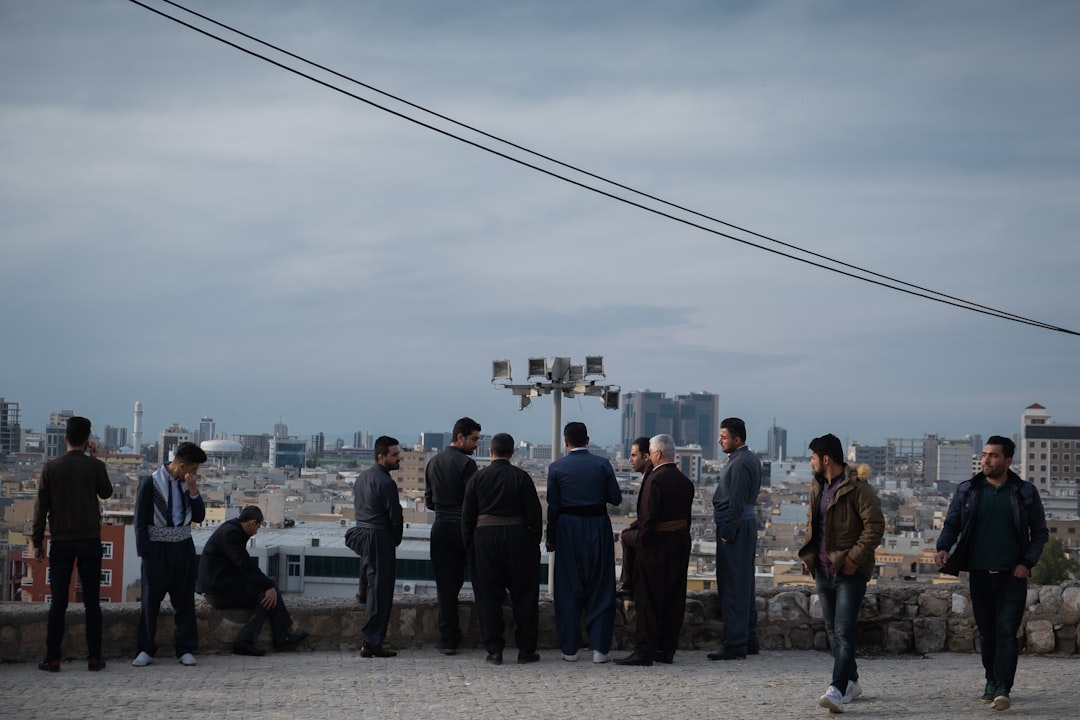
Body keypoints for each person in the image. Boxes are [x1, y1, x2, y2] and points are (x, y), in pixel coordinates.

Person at [935, 436, 1048, 712]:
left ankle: (1003, 687)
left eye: (993, 456)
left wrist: (1026, 563)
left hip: (1013, 575)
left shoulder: (1024, 493)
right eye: (984, 455)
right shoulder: (968, 491)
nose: (986, 460)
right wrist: (942, 548)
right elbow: (952, 524)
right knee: (987, 633)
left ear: (1008, 461)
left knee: (1007, 632)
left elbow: (1040, 533)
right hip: (979, 573)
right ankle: (990, 679)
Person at [798, 433, 884, 713]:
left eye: (812, 458)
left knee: (844, 631)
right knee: (833, 632)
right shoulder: (817, 487)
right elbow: (814, 526)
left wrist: (855, 558)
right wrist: (808, 555)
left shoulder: (858, 488)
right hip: (823, 570)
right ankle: (852, 681)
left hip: (848, 571)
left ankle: (836, 689)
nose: (810, 463)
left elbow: (875, 526)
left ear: (826, 459)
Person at [31, 416, 113, 672]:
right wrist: (97, 459)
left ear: (65, 437)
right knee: (92, 603)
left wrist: (36, 542)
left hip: (61, 541)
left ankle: (53, 658)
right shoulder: (94, 467)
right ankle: (94, 658)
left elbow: (40, 509)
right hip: (89, 540)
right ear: (87, 441)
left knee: (58, 602)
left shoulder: (51, 468)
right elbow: (106, 493)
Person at [461, 432, 543, 665]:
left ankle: (494, 650)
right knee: (525, 597)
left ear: (490, 452)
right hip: (518, 539)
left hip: (484, 540)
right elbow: (534, 515)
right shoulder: (522, 477)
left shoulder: (477, 479)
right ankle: (526, 650)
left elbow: (467, 518)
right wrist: (532, 543)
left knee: (487, 597)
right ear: (512, 452)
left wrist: (470, 547)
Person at [546, 421, 622, 664]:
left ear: (566, 442)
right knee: (601, 585)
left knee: (568, 588)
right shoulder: (602, 464)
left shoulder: (556, 468)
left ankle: (570, 650)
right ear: (587, 440)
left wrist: (551, 538)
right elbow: (617, 498)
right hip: (598, 524)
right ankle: (600, 649)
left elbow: (553, 507)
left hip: (568, 528)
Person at [615, 434, 694, 666]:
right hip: (679, 543)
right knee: (673, 598)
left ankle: (645, 650)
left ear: (657, 454)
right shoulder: (685, 481)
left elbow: (648, 518)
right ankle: (666, 649)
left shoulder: (655, 480)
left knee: (647, 598)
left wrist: (641, 548)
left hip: (656, 545)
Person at [133, 441, 207, 667]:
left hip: (182, 547)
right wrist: (146, 554)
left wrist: (194, 493)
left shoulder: (188, 485)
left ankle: (185, 648)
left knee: (184, 601)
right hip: (157, 551)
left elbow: (199, 517)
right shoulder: (150, 483)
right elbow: (140, 521)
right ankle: (145, 649)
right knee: (150, 601)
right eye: (193, 469)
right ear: (182, 464)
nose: (194, 474)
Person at [196, 506, 308, 656]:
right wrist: (267, 585)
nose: (258, 530)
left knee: (269, 589)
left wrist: (267, 585)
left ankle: (281, 634)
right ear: (252, 522)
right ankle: (246, 641)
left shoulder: (232, 529)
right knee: (265, 596)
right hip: (217, 592)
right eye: (258, 526)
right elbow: (244, 564)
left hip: (223, 586)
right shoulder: (231, 534)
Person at [424, 416, 481, 654]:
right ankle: (489, 637)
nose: (477, 444)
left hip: (440, 528)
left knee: (446, 588)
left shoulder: (433, 462)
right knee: (480, 580)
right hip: (463, 528)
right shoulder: (467, 465)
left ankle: (449, 640)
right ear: (460, 437)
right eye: (474, 439)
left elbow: (429, 501)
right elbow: (473, 501)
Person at [709, 417, 763, 661]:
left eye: (724, 437)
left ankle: (736, 643)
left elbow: (737, 501)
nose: (720, 441)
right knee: (744, 583)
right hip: (743, 524)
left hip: (735, 526)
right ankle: (748, 639)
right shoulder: (748, 459)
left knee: (733, 585)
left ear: (737, 439)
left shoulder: (740, 463)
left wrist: (728, 533)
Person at [352, 435, 404, 658]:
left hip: (363, 533)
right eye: (394, 455)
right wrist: (395, 538)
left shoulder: (362, 478)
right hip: (379, 536)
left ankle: (371, 640)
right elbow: (395, 516)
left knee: (371, 583)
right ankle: (372, 643)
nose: (398, 458)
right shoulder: (386, 482)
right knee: (381, 592)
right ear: (381, 457)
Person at [617, 436, 653, 598]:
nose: (630, 460)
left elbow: (649, 513)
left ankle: (627, 583)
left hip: (651, 534)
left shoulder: (651, 478)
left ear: (646, 457)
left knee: (626, 537)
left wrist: (632, 528)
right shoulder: (652, 475)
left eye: (633, 455)